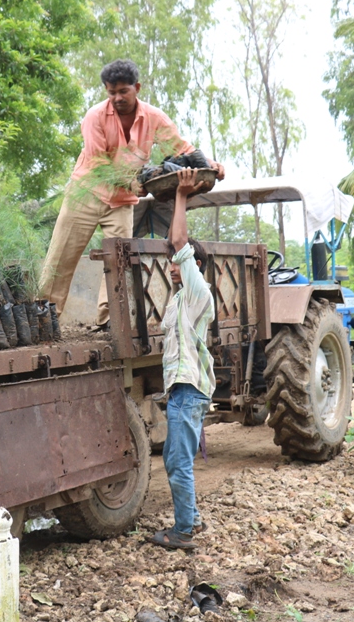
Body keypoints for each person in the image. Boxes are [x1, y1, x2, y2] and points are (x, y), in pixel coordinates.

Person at [38, 59, 224, 329]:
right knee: (61, 258)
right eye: (111, 92)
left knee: (119, 262)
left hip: (122, 203)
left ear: (136, 88)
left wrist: (210, 166)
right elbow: (100, 165)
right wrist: (140, 182)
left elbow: (181, 147)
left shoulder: (154, 118)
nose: (116, 98)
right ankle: (45, 319)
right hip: (86, 194)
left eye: (123, 91)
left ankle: (109, 321)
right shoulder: (94, 117)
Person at [149, 168, 216, 550]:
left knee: (177, 463)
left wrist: (181, 195)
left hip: (188, 392)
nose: (171, 266)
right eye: (170, 262)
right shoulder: (178, 300)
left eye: (177, 261)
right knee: (180, 461)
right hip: (182, 392)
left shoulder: (197, 291)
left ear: (193, 265)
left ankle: (183, 532)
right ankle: (192, 520)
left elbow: (178, 238)